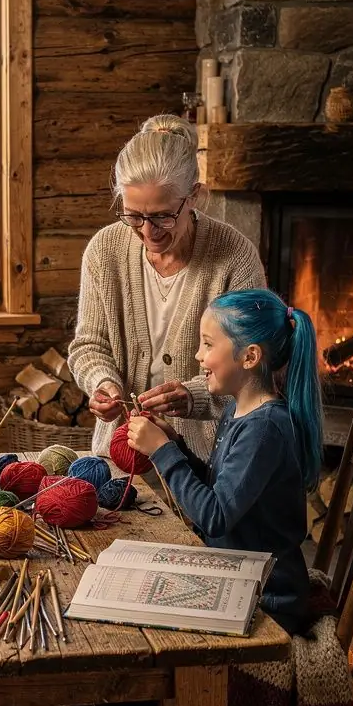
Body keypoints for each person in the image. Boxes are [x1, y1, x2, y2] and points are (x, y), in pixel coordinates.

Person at [70, 288, 323, 706]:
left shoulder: (265, 427)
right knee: (113, 606)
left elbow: (212, 516)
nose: (199, 358)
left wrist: (161, 452)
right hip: (240, 569)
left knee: (122, 641)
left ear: (250, 356)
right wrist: (178, 446)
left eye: (209, 345)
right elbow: (222, 489)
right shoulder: (244, 412)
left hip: (266, 593)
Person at [68, 114, 265, 462]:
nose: (148, 232)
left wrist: (193, 397)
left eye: (162, 216)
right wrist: (102, 382)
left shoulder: (234, 257)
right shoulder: (104, 251)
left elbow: (251, 368)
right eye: (133, 216)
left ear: (194, 197)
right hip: (118, 457)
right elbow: (89, 344)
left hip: (204, 464)